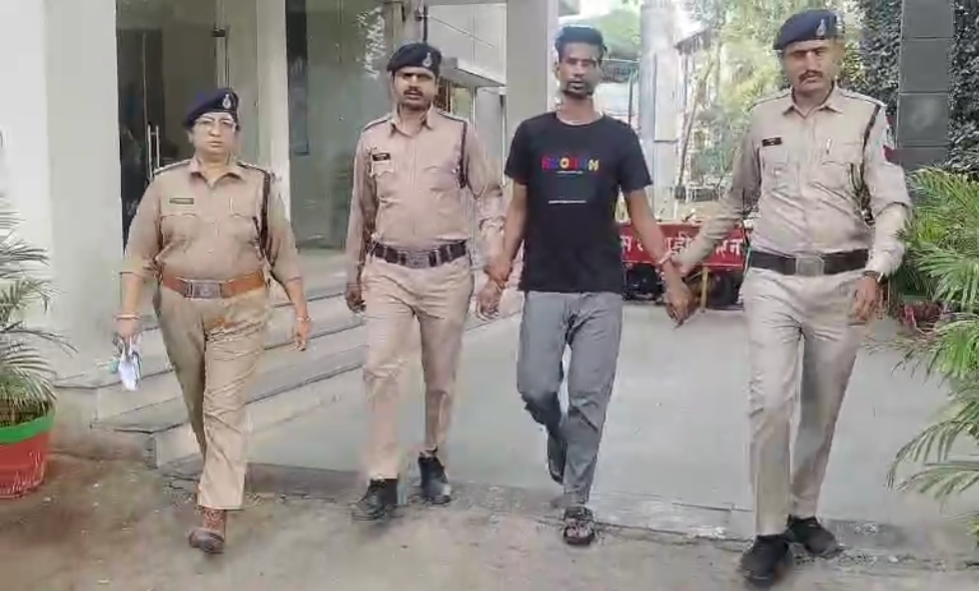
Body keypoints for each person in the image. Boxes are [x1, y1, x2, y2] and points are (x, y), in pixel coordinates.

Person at [672, 9, 912, 586]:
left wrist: (876, 271)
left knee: (821, 411)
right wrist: (686, 260)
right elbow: (736, 199)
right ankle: (768, 533)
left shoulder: (868, 117)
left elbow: (892, 204)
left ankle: (802, 512)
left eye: (819, 52)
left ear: (837, 55)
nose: (809, 63)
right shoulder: (761, 119)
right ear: (784, 60)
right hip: (772, 281)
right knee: (771, 403)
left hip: (843, 284)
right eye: (798, 54)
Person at [481, 25, 693, 546]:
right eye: (571, 61)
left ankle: (577, 501)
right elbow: (518, 208)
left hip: (601, 286)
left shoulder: (618, 139)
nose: (579, 70)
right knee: (536, 388)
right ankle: (557, 434)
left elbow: (641, 214)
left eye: (588, 62)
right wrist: (500, 269)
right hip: (545, 283)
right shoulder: (532, 134)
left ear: (601, 69)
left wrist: (670, 275)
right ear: (557, 66)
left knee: (589, 397)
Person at [117, 88, 310, 554]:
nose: (217, 132)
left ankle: (213, 512)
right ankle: (218, 476)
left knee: (223, 407)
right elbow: (139, 253)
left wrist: (301, 310)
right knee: (198, 404)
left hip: (241, 307)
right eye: (207, 124)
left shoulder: (260, 185)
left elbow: (283, 253)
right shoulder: (165, 185)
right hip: (178, 306)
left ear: (237, 134)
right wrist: (128, 312)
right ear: (191, 133)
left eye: (226, 125)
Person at [344, 42, 505, 521]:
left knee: (440, 376)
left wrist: (494, 255)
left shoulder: (460, 134)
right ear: (392, 81)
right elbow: (361, 210)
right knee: (379, 367)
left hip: (446, 272)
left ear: (437, 86)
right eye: (406, 76)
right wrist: (353, 272)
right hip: (387, 271)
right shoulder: (372, 139)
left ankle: (432, 456)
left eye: (424, 77)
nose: (414, 84)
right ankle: (382, 478)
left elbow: (488, 195)